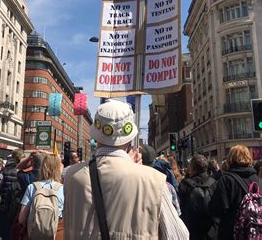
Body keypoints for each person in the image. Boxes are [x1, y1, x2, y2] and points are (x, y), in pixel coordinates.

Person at [63, 100, 189, 239]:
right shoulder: (154, 181)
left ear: (96, 134)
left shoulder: (71, 176)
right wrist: (140, 173)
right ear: (130, 137)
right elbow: (179, 236)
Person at [208, 145, 262, 240]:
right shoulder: (259, 181)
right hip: (257, 233)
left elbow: (218, 209)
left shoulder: (226, 180)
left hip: (232, 232)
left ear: (230, 158)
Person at [18, 153, 64, 239]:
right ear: (58, 169)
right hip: (56, 234)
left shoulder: (32, 187)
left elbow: (21, 218)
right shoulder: (63, 189)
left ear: (42, 167)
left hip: (34, 234)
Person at [178, 154, 217, 240]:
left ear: (193, 168)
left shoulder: (184, 185)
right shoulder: (214, 184)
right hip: (210, 231)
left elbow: (180, 209)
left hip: (191, 231)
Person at [0, 149, 23, 240]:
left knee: (3, 231)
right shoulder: (24, 171)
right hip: (18, 205)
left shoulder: (5, 170)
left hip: (5, 204)